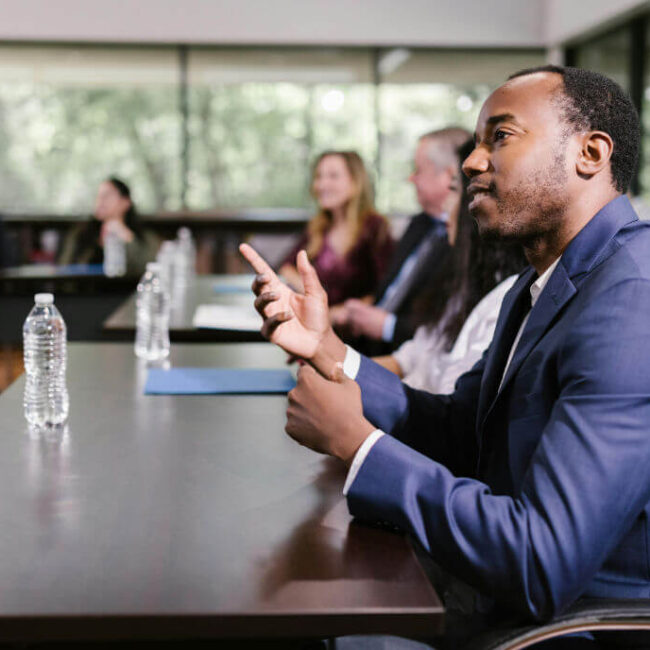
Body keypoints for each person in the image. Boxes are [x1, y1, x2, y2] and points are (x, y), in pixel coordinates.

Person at [241, 65, 650, 649]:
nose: (471, 162)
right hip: (490, 592)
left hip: (557, 628)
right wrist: (330, 349)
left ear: (590, 153)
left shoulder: (632, 300)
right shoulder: (538, 285)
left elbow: (543, 562)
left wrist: (359, 445)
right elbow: (464, 430)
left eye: (500, 137)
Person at [375, 139, 527, 393]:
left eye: (454, 190)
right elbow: (409, 358)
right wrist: (331, 362)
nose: (446, 207)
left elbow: (448, 405)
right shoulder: (463, 283)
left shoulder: (504, 300)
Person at [334, 128, 469, 354]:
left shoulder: (467, 243)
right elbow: (387, 291)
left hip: (406, 356)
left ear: (449, 175)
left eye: (418, 170)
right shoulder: (420, 224)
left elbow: (449, 332)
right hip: (363, 342)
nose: (411, 178)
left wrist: (387, 326)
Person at [279, 151, 393, 306]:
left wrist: (346, 313)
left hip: (356, 324)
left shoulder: (374, 226)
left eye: (333, 176)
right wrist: (316, 297)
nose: (321, 185)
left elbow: (387, 288)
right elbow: (286, 268)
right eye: (319, 177)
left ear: (355, 182)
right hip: (319, 321)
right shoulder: (319, 226)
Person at [58, 177, 158, 276]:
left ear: (125, 202)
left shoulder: (144, 237)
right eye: (98, 196)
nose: (100, 201)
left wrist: (127, 236)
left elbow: (149, 270)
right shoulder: (80, 234)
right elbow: (64, 269)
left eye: (106, 196)